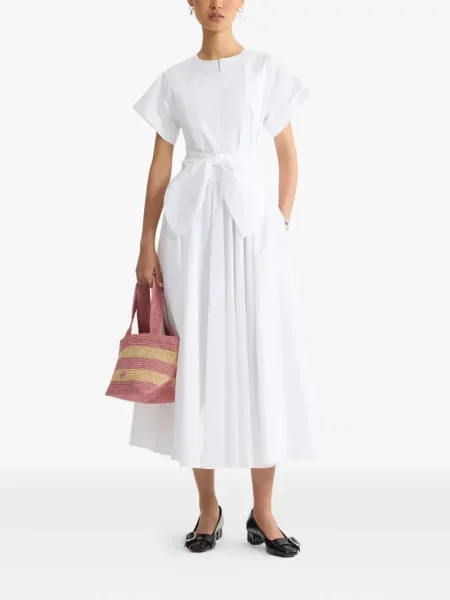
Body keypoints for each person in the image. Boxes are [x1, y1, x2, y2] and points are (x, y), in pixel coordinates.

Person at [130, 0, 317, 557]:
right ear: (188, 3)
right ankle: (208, 508)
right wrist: (145, 242)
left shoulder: (264, 70)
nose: (217, 3)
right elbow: (160, 166)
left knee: (262, 357)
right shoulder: (173, 80)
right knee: (195, 359)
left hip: (252, 231)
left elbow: (288, 153)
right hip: (188, 231)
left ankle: (264, 510)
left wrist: (280, 223)